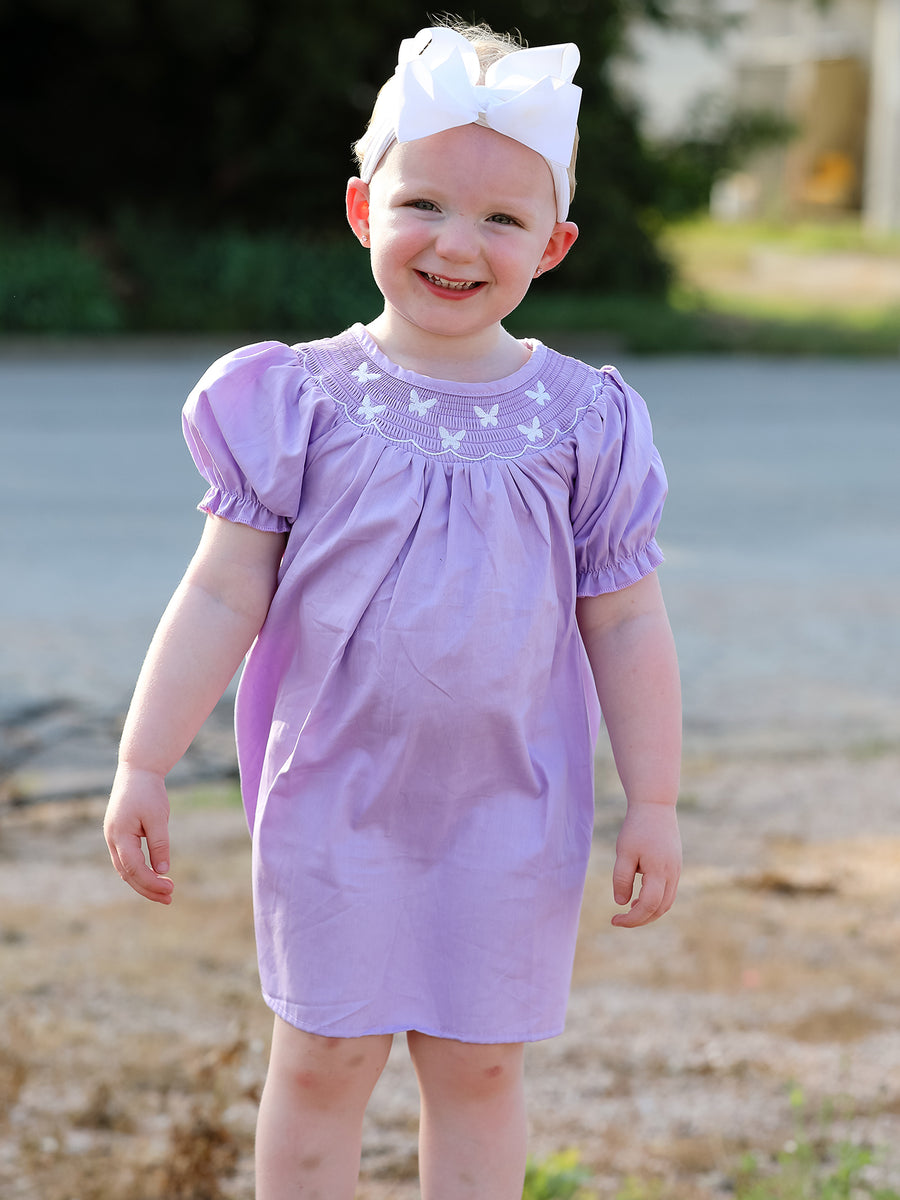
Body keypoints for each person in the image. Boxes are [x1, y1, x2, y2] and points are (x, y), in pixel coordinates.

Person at [104, 19, 682, 1200]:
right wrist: (145, 761)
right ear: (365, 207)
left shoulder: (581, 422)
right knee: (322, 1059)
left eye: (503, 219)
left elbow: (624, 622)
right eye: (423, 203)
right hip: (335, 795)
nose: (456, 244)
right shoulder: (297, 402)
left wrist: (655, 800)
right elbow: (220, 589)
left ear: (556, 244)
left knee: (479, 1072)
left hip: (510, 808)